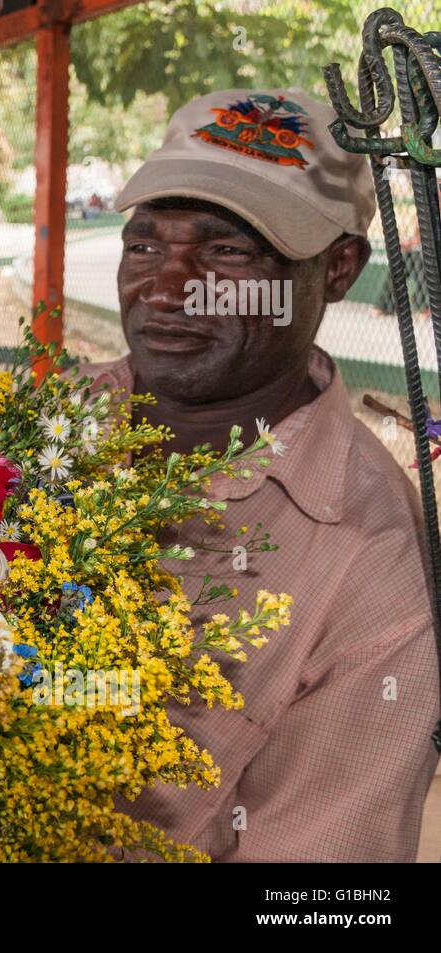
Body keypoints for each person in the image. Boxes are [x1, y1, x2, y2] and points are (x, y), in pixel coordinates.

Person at [89, 88, 440, 861]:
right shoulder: (27, 426)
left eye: (228, 252)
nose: (169, 287)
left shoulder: (372, 560)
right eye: (144, 245)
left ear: (339, 268)